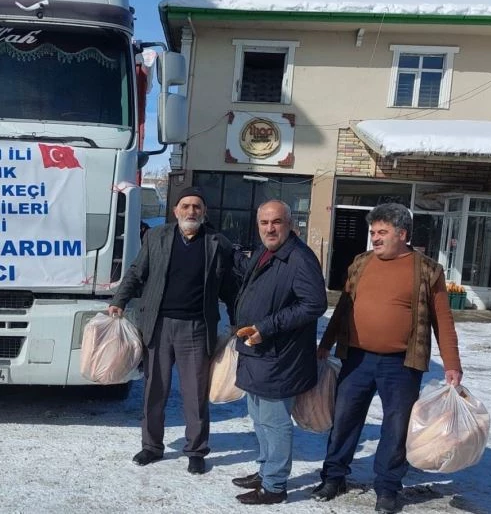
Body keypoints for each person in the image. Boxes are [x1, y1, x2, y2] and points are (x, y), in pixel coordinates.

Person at [313, 203, 463, 514]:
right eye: (373, 232)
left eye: (382, 232)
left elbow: (442, 319)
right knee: (343, 421)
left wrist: (452, 364)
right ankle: (334, 476)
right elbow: (343, 307)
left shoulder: (427, 270)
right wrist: (326, 343)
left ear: (402, 234)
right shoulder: (360, 263)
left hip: (401, 364)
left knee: (396, 428)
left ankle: (387, 488)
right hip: (356, 359)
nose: (375, 238)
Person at [108, 186, 237, 475]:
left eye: (197, 206)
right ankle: (152, 446)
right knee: (155, 390)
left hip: (196, 327)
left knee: (195, 393)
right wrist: (119, 300)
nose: (191, 211)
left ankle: (196, 450)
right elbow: (136, 272)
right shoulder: (156, 237)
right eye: (186, 206)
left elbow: (230, 286)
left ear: (204, 212)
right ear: (176, 210)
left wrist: (237, 317)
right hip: (159, 325)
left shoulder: (218, 244)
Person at [230, 200, 327, 505]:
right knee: (258, 416)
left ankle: (274, 486)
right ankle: (265, 469)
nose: (270, 228)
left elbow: (314, 305)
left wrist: (267, 326)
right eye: (264, 223)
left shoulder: (299, 258)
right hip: (258, 352)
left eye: (276, 222)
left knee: (275, 421)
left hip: (280, 356)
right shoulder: (266, 251)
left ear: (289, 224)